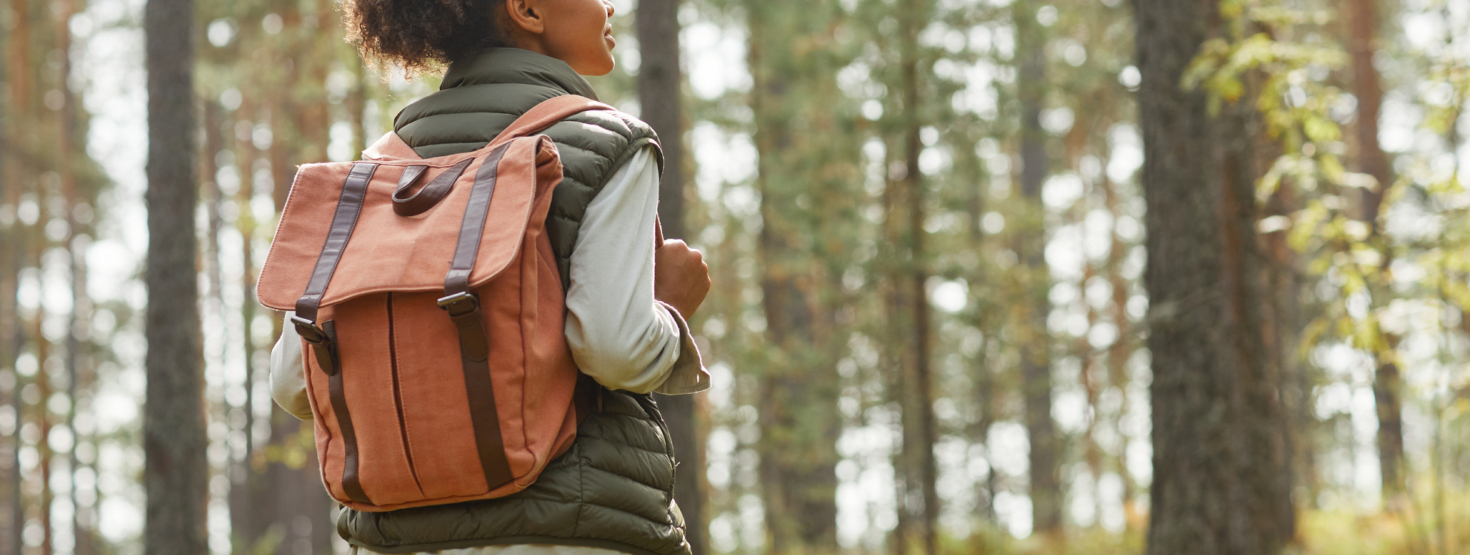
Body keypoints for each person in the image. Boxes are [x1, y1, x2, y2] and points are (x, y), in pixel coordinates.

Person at [267, 1, 712, 554]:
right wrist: (667, 309)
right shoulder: (606, 143)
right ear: (526, 9)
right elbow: (614, 348)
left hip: (396, 538)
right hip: (564, 533)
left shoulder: (374, 173)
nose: (611, 5)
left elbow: (292, 381)